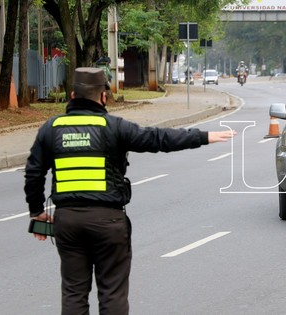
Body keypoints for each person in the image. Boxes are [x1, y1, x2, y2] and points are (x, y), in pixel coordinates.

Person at [24, 67, 236, 314]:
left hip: (67, 221)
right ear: (104, 97)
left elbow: (34, 173)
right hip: (108, 222)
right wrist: (203, 136)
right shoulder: (115, 127)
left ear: (72, 95)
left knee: (74, 291)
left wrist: (37, 212)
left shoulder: (51, 128)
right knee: (112, 292)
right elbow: (158, 139)